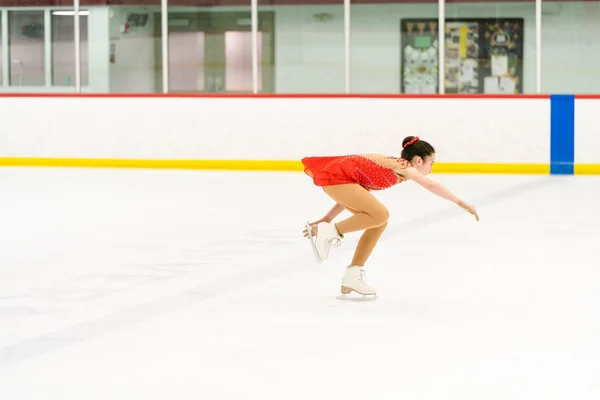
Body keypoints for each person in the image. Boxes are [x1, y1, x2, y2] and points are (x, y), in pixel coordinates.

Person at [301, 136, 479, 297]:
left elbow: (354, 194)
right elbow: (430, 185)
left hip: (339, 181)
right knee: (381, 214)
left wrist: (327, 218)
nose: (431, 168)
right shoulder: (404, 167)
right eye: (431, 163)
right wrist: (459, 202)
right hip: (337, 178)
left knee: (379, 222)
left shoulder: (393, 169)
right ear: (418, 160)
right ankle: (330, 232)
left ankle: (353, 275)